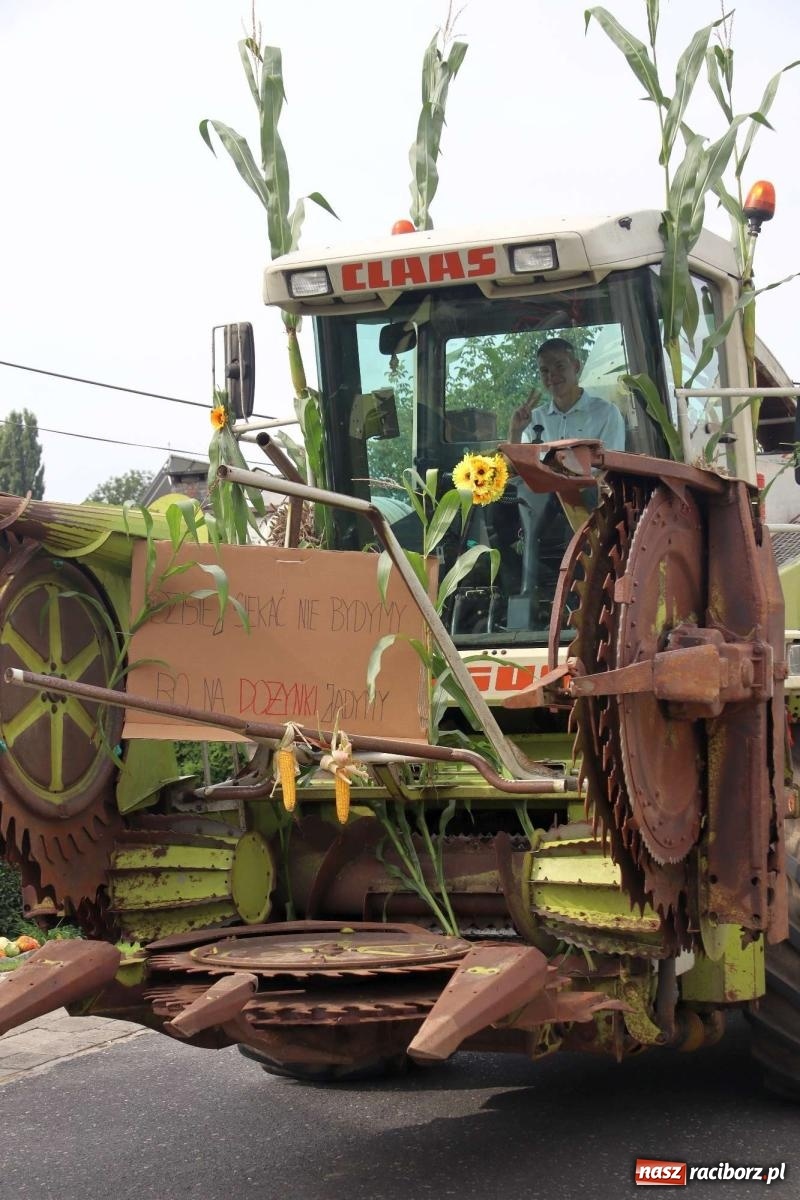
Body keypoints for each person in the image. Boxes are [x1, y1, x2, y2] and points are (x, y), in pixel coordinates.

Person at [509, 337, 626, 450]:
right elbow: (517, 464)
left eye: (559, 366)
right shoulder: (532, 419)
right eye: (544, 370)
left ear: (576, 366)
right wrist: (515, 432)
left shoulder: (607, 414)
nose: (551, 375)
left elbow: (613, 466)